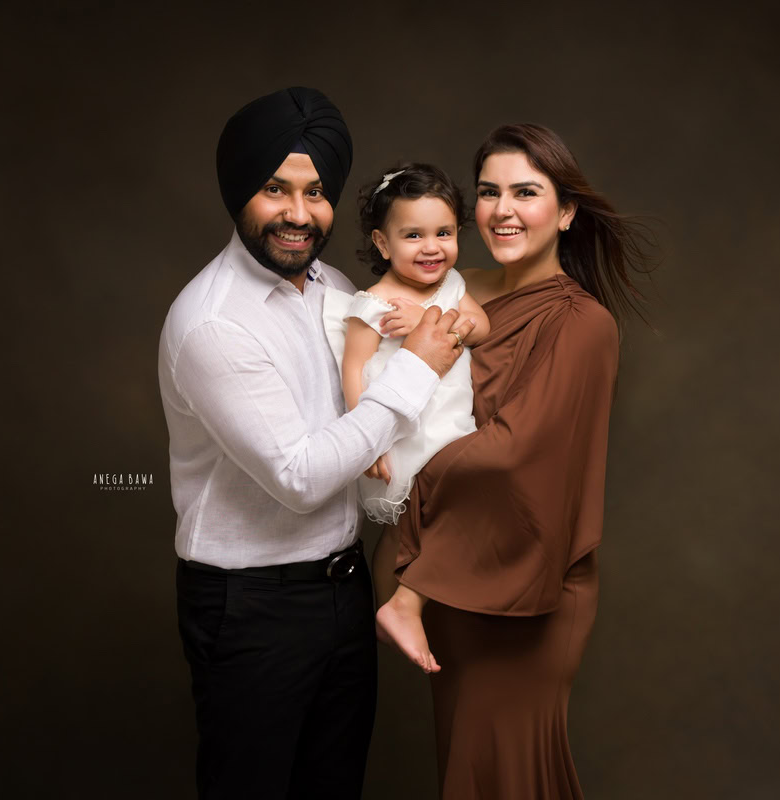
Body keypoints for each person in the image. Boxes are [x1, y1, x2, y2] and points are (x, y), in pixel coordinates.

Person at [157, 87, 476, 800]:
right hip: (251, 609)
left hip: (342, 588)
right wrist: (420, 368)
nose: (299, 214)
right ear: (240, 189)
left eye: (317, 192)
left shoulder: (334, 286)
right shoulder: (214, 324)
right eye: (276, 189)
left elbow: (379, 375)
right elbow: (300, 478)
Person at [388, 123, 655, 799]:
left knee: (502, 774)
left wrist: (410, 486)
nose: (502, 209)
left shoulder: (581, 324)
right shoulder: (457, 290)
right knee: (470, 768)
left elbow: (513, 456)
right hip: (460, 574)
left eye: (526, 192)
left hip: (526, 588)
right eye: (488, 192)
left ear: (565, 212)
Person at [321, 163, 490, 674]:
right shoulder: (372, 304)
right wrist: (366, 442)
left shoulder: (452, 286)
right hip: (401, 432)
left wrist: (433, 321)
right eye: (412, 235)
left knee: (455, 510)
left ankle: (405, 607)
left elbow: (479, 327)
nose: (431, 247)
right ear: (382, 241)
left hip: (451, 426)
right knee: (404, 529)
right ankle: (392, 604)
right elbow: (354, 370)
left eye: (443, 232)